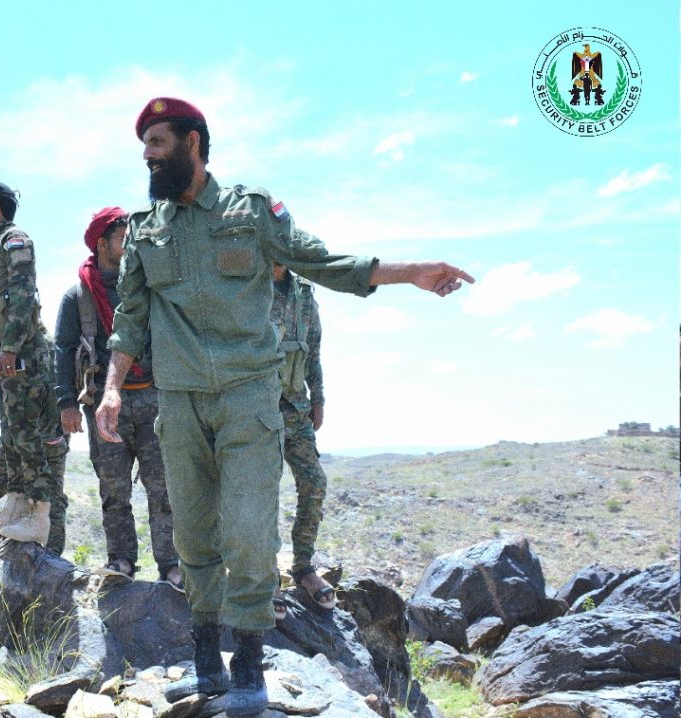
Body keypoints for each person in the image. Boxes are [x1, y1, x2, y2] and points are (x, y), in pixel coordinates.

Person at [95, 97, 474, 717]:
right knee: (193, 535)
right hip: (181, 403)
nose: (147, 155)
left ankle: (249, 670)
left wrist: (410, 272)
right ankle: (208, 666)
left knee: (249, 532)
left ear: (193, 144)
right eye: (145, 145)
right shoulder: (145, 228)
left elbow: (318, 261)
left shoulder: (250, 210)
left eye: (158, 142)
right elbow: (131, 317)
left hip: (248, 397)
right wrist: (112, 386)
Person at [54, 207, 181, 588]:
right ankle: (121, 560)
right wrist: (66, 403)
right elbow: (63, 351)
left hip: (154, 399)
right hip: (103, 405)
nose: (130, 244)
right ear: (102, 242)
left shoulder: (146, 286)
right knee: (113, 488)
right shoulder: (78, 297)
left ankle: (171, 564)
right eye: (123, 237)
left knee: (164, 488)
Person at [0, 182, 57, 545]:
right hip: (8, 356)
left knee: (26, 434)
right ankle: (16, 507)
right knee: (10, 435)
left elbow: (23, 297)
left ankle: (39, 515)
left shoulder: (15, 240)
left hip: (23, 356)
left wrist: (8, 349)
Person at [270, 263, 335, 617]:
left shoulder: (304, 293)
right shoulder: (247, 285)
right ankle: (266, 576)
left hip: (296, 406)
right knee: (262, 492)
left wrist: (318, 398)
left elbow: (314, 350)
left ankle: (303, 567)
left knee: (314, 483)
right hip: (257, 407)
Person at [0, 363, 70, 556]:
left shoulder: (52, 357)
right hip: (20, 434)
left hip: (47, 436)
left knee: (50, 499)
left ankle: (50, 556)